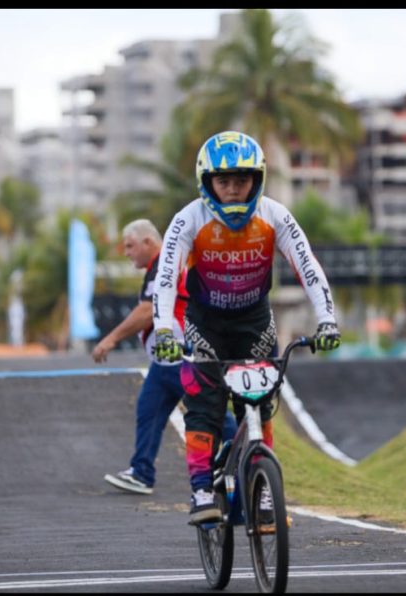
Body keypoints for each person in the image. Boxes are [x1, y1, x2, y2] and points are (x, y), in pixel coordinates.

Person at [152, 131, 342, 524]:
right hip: (205, 325)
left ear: (258, 179)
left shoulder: (275, 215)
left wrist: (327, 319)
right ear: (208, 183)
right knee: (204, 407)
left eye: (243, 180)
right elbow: (167, 277)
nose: (235, 190)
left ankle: (263, 494)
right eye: (224, 181)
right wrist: (165, 331)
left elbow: (307, 266)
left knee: (258, 405)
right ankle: (203, 488)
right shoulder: (188, 220)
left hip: (255, 323)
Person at [93, 219, 237, 495]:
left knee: (211, 410)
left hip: (182, 355)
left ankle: (245, 454)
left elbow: (147, 311)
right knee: (149, 410)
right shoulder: (156, 267)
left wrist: (110, 339)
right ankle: (141, 472)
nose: (126, 252)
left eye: (130, 246)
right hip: (164, 361)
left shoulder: (164, 264)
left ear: (148, 242)